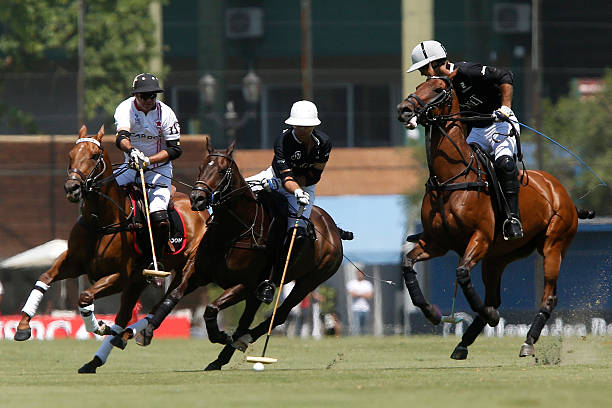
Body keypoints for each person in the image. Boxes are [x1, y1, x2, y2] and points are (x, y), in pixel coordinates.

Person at [406, 40, 523, 240]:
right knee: (447, 167)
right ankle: (434, 225)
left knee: (504, 164)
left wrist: (505, 107)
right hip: (475, 130)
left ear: (434, 64)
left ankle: (512, 218)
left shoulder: (468, 71)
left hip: (500, 124)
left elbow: (505, 75)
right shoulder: (439, 86)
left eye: (423, 69)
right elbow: (430, 107)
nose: (422, 74)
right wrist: (416, 118)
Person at [245, 100, 332, 303]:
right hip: (275, 177)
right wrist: (286, 186)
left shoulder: (324, 142)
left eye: (306, 126)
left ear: (314, 126)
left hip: (305, 186)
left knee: (298, 233)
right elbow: (285, 177)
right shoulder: (283, 141)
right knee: (237, 191)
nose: (302, 130)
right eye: (299, 126)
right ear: (293, 125)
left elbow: (315, 175)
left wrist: (299, 190)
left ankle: (274, 278)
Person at [113, 73, 182, 270]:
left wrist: (149, 160)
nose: (148, 100)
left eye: (152, 96)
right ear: (135, 96)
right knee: (102, 193)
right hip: (130, 165)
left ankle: (156, 259)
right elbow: (122, 137)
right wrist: (132, 152)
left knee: (159, 217)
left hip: (158, 170)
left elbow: (175, 149)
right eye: (143, 96)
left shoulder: (166, 113)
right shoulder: (125, 108)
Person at [346, 271, 373, 335]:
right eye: (358, 274)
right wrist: (364, 294)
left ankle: (365, 339)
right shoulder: (352, 283)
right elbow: (352, 294)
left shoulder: (367, 284)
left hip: (365, 308)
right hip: (356, 308)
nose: (360, 275)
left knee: (365, 327)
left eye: (361, 274)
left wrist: (358, 294)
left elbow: (370, 296)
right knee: (356, 327)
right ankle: (357, 339)